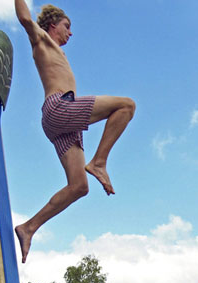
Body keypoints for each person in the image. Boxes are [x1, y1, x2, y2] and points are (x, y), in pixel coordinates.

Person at [13, 1, 136, 263]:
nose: (71, 32)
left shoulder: (58, 51)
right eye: (67, 26)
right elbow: (25, 18)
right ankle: (99, 162)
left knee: (79, 186)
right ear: (52, 25)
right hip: (60, 107)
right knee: (126, 105)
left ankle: (29, 227)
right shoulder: (42, 40)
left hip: (61, 123)